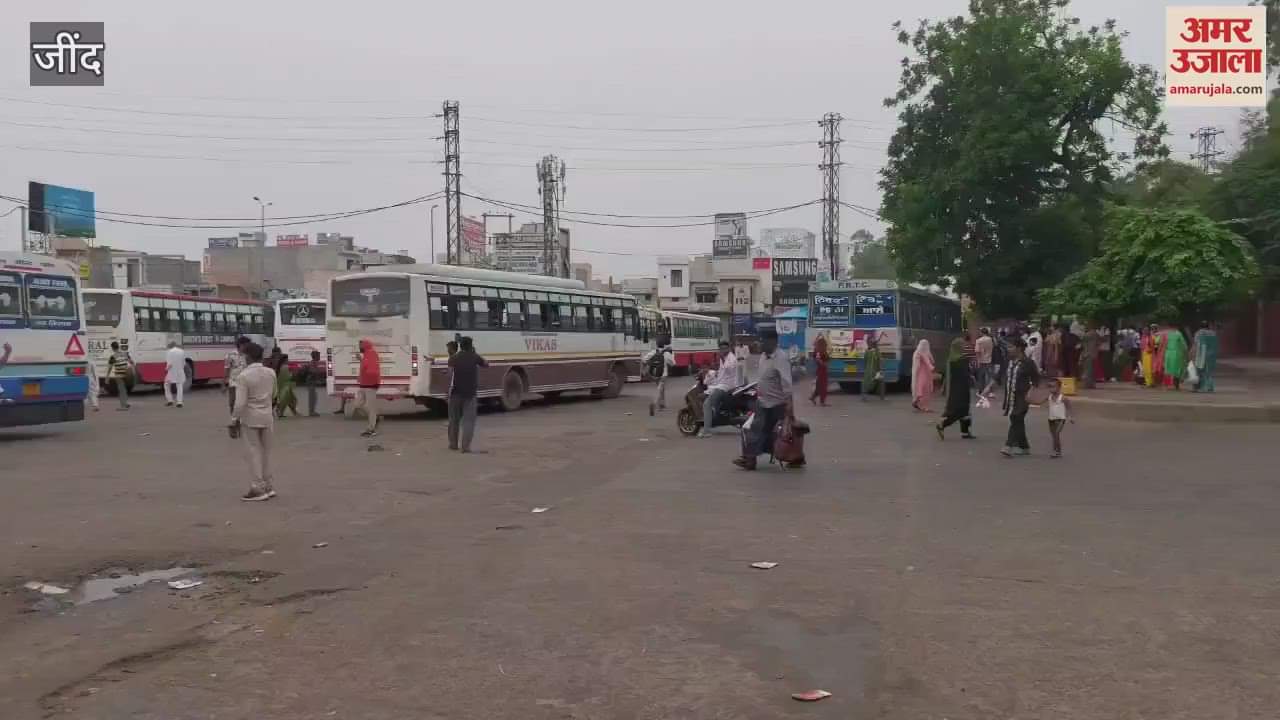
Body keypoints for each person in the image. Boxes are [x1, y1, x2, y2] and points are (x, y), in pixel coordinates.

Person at [734, 329, 793, 471]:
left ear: (773, 342)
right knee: (754, 428)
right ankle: (750, 457)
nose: (760, 343)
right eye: (760, 340)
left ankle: (750, 459)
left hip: (776, 404)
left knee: (760, 430)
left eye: (763, 341)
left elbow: (786, 383)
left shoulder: (781, 358)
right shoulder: (763, 356)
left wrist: (789, 405)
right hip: (763, 401)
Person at [229, 342, 277, 502]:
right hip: (267, 416)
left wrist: (234, 419)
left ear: (248, 357)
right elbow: (274, 394)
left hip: (250, 418)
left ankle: (257, 488)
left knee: (253, 452)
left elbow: (240, 403)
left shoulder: (243, 376)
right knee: (267, 452)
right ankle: (269, 486)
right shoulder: (270, 372)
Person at [447, 336, 488, 452]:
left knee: (454, 420)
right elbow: (486, 364)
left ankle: (453, 444)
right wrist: (475, 354)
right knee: (469, 421)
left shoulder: (453, 358)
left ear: (461, 346)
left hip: (455, 393)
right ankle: (465, 447)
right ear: (471, 346)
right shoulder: (475, 357)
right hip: (470, 394)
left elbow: (449, 375)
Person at [1001, 338, 1040, 457]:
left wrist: (1031, 392)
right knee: (1017, 420)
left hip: (1023, 396)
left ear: (1019, 348)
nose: (1009, 349)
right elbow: (999, 375)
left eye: (1011, 347)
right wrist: (987, 388)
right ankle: (1024, 447)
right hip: (1011, 396)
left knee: (1016, 416)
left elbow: (1036, 379)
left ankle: (1008, 445)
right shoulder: (1008, 361)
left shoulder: (1028, 363)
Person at [936, 338, 975, 440]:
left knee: (964, 411)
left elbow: (948, 376)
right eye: (962, 345)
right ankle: (942, 424)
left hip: (955, 387)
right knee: (960, 411)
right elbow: (966, 374)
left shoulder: (951, 359)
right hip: (962, 388)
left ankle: (965, 432)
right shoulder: (962, 360)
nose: (964, 347)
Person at [699, 340, 739, 438]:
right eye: (721, 349)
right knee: (710, 399)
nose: (723, 350)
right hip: (721, 384)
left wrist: (722, 359)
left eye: (725, 348)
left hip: (725, 386)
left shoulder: (731, 358)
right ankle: (715, 419)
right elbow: (721, 373)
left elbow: (729, 369)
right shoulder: (723, 358)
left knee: (707, 404)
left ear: (729, 348)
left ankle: (706, 431)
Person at [353, 338, 381, 437]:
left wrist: (368, 376)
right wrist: (360, 360)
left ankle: (371, 429)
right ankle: (374, 417)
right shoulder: (366, 355)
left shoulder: (372, 354)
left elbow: (373, 370)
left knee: (371, 407)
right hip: (363, 385)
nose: (359, 347)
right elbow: (366, 366)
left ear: (364, 346)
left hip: (371, 385)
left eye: (360, 345)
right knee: (357, 404)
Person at [1046, 377, 1073, 458]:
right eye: (1049, 386)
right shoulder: (1049, 397)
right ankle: (1058, 451)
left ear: (1059, 387)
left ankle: (1055, 451)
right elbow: (1038, 402)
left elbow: (1069, 407)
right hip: (1051, 419)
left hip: (1060, 419)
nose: (1051, 388)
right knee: (1054, 436)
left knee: (1056, 433)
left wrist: (1071, 417)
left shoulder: (1063, 398)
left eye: (1053, 386)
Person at [647, 341, 674, 416]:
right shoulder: (666, 353)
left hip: (655, 374)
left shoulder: (653, 352)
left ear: (656, 345)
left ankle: (662, 405)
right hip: (663, 375)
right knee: (660, 389)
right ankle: (654, 403)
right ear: (664, 345)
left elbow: (644, 359)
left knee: (661, 389)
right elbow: (673, 363)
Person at [224, 336, 250, 414]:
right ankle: (234, 418)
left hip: (246, 383)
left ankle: (243, 418)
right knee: (232, 402)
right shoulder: (230, 355)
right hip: (233, 382)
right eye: (246, 345)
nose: (247, 347)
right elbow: (227, 368)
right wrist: (225, 382)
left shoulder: (248, 355)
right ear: (240, 344)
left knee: (244, 402)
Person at [106, 341, 134, 411]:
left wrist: (107, 377)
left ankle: (123, 406)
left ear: (112, 348)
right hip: (126, 374)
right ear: (118, 346)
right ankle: (126, 403)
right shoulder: (125, 354)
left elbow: (110, 368)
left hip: (119, 375)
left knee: (121, 390)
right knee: (124, 389)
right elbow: (131, 362)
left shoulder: (113, 357)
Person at [1193, 321, 1219, 392]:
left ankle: (1202, 387)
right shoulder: (1213, 333)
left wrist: (1193, 353)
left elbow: (1196, 343)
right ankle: (1210, 387)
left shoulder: (1198, 333)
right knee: (1210, 371)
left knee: (1201, 370)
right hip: (1212, 354)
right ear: (1208, 326)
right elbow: (1215, 344)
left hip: (1202, 353)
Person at [911, 338, 935, 412]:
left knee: (923, 388)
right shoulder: (921, 352)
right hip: (923, 373)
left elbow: (931, 360)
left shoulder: (920, 352)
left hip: (923, 373)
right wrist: (931, 367)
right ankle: (922, 404)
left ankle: (918, 402)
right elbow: (928, 361)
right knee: (924, 388)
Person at [1162, 324, 1188, 391]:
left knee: (1170, 369)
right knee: (1177, 369)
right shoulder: (1179, 334)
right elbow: (1184, 344)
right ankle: (1176, 385)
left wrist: (1164, 354)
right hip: (1176, 353)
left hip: (1169, 353)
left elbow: (1164, 344)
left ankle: (1172, 385)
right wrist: (1186, 352)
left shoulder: (1168, 334)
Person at [861, 333, 887, 401]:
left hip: (872, 371)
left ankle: (880, 397)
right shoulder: (871, 351)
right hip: (872, 371)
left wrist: (880, 369)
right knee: (869, 383)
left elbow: (879, 360)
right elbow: (879, 360)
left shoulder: (870, 351)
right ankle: (881, 397)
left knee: (878, 382)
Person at [164, 341, 187, 408]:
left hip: (171, 373)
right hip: (180, 372)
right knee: (179, 386)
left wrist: (166, 369)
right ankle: (179, 402)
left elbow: (169, 364)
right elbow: (184, 363)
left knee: (166, 385)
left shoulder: (169, 352)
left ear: (170, 346)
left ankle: (170, 401)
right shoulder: (181, 351)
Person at [809, 332, 830, 406]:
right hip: (822, 370)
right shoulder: (820, 352)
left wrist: (819, 336)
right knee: (823, 386)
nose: (826, 345)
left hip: (821, 370)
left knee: (819, 386)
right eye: (825, 344)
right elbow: (819, 360)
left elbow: (814, 344)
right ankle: (822, 402)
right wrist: (823, 363)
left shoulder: (818, 351)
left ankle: (813, 397)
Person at [303, 350, 325, 416]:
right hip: (311, 382)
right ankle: (311, 412)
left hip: (311, 381)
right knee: (312, 397)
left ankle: (312, 411)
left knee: (314, 397)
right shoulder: (313, 363)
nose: (319, 356)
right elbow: (312, 371)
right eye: (318, 355)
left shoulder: (314, 362)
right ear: (315, 356)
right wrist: (318, 376)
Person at [974, 327, 995, 396]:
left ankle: (981, 391)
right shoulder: (990, 339)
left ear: (981, 332)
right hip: (989, 360)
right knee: (989, 377)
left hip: (981, 361)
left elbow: (977, 351)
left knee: (981, 377)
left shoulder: (978, 340)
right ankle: (990, 392)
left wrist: (978, 361)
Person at [1080, 324, 1099, 389]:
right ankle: (1091, 384)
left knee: (1087, 370)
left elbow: (1083, 340)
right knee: (1091, 370)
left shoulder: (1089, 334)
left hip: (1088, 354)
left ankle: (1087, 384)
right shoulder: (1096, 334)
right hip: (1093, 354)